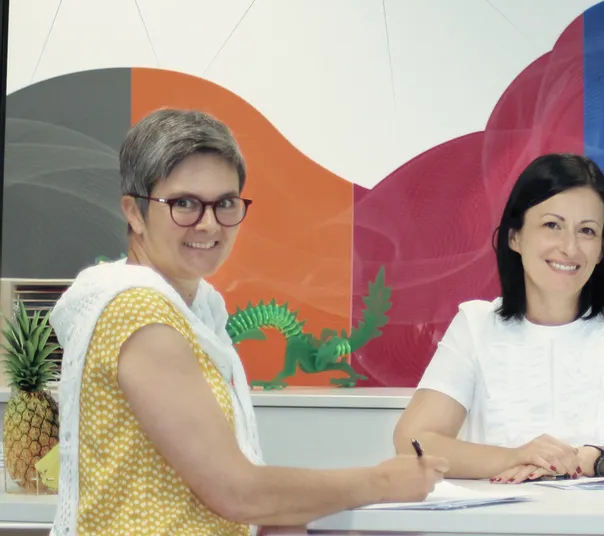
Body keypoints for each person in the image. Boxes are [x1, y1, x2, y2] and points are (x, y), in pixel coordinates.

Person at [48, 109, 448, 535]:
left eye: (224, 203)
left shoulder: (196, 310)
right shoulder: (139, 314)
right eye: (184, 203)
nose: (208, 223)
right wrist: (384, 481)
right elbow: (236, 491)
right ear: (133, 211)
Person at [393, 153, 604, 483]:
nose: (569, 247)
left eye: (587, 231)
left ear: (602, 246)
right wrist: (515, 457)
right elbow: (414, 443)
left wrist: (587, 459)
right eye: (552, 225)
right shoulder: (476, 324)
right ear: (515, 236)